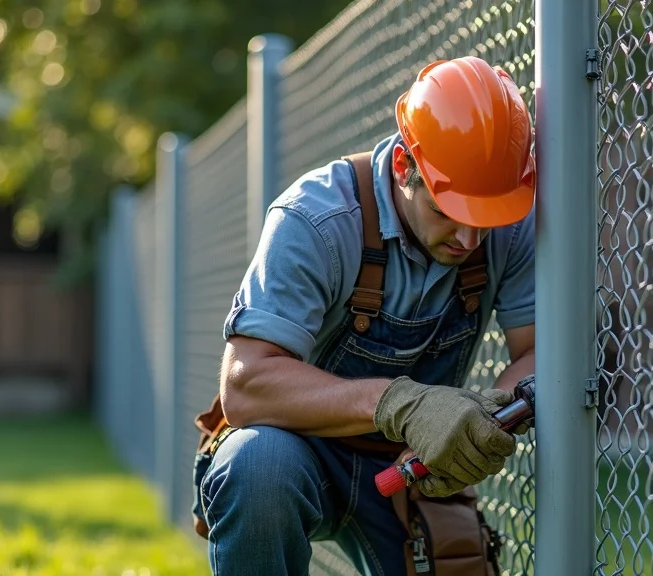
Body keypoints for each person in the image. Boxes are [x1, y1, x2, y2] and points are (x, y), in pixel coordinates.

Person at [192, 56, 537, 576]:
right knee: (254, 468)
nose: (470, 241)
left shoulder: (508, 215)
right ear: (403, 167)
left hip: (414, 466)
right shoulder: (317, 219)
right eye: (448, 213)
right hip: (297, 452)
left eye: (484, 218)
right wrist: (400, 403)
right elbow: (246, 385)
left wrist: (486, 415)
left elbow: (538, 352)